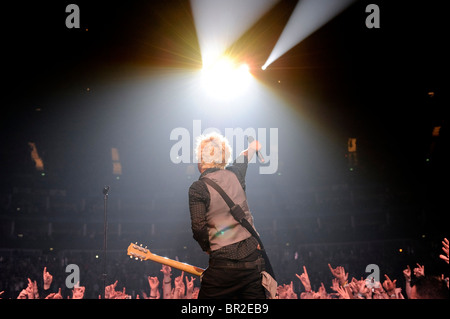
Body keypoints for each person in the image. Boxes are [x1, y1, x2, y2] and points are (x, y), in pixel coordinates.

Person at [188, 132, 267, 299]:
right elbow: (244, 157)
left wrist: (208, 248)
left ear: (200, 161)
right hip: (252, 262)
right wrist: (253, 147)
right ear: (223, 158)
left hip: (223, 266)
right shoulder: (235, 174)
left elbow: (198, 228)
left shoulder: (198, 188)